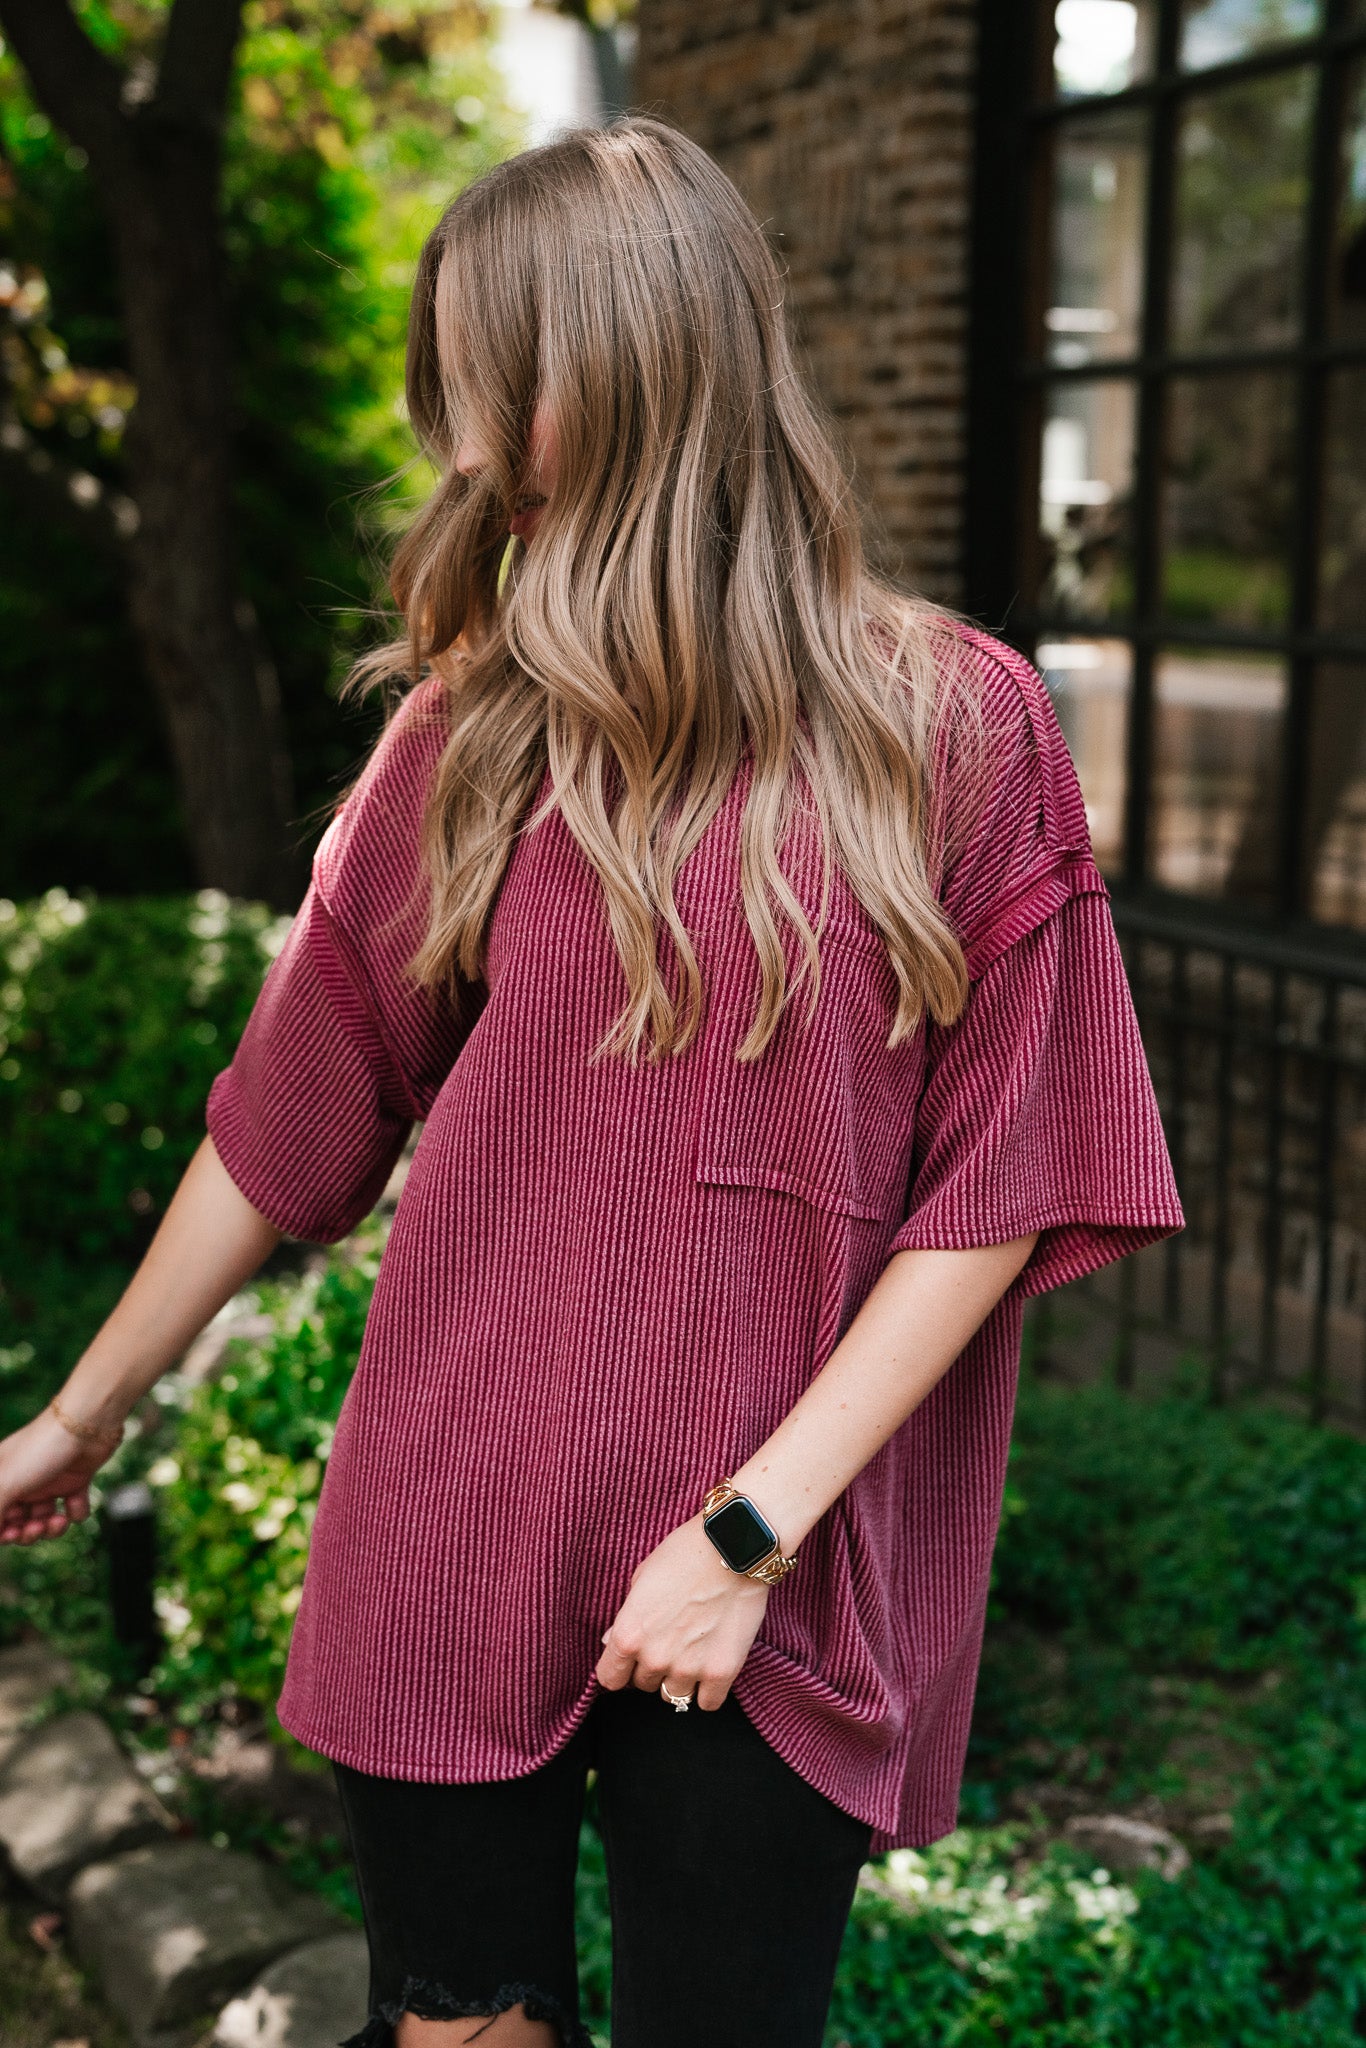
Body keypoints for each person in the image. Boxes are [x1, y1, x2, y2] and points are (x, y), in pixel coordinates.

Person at [0, 118, 1183, 2048]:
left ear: (624, 370)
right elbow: (299, 1103)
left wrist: (740, 1543)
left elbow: (1002, 1190)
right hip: (454, 1513)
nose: (457, 445)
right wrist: (82, 1410)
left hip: (771, 1569)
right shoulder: (478, 735)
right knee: (459, 2033)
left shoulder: (952, 727)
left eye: (486, 385)